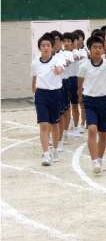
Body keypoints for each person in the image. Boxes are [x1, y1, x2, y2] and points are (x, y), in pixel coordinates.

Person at [77, 34, 106, 174]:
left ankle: (99, 159)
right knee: (92, 129)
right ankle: (94, 161)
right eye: (94, 47)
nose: (97, 50)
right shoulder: (84, 66)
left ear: (103, 50)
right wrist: (80, 96)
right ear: (90, 49)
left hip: (104, 101)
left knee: (103, 134)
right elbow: (80, 83)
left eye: (100, 47)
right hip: (90, 100)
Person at [31, 33, 65, 166]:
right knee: (44, 125)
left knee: (55, 124)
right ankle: (46, 154)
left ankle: (55, 149)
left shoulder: (57, 60)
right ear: (39, 48)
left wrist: (58, 69)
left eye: (48, 45)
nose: (45, 48)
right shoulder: (35, 63)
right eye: (43, 45)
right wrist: (34, 90)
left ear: (52, 47)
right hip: (41, 95)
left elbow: (60, 69)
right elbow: (34, 77)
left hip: (55, 94)